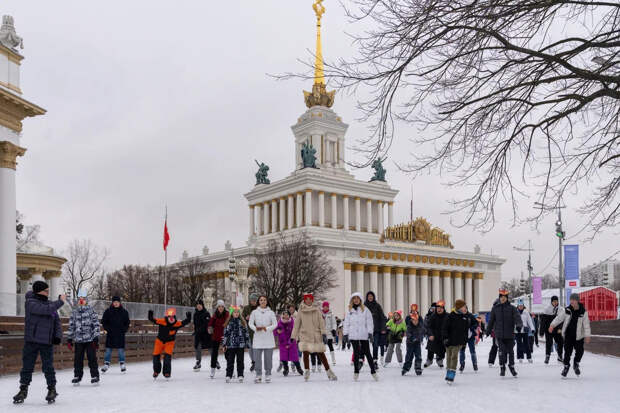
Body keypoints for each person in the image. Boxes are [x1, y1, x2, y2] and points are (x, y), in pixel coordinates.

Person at [13, 281, 65, 405]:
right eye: (46, 290)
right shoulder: (30, 303)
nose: (48, 292)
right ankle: (23, 390)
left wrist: (57, 336)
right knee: (27, 367)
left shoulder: (50, 305)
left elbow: (56, 322)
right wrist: (61, 301)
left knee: (48, 367)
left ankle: (52, 389)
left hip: (46, 342)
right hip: (32, 340)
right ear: (39, 291)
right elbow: (45, 310)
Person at [292, 293, 338, 381]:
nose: (308, 301)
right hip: (305, 335)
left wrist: (324, 334)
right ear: (304, 300)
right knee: (305, 353)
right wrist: (293, 336)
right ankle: (307, 371)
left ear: (312, 300)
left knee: (321, 353)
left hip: (316, 335)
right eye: (307, 299)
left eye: (310, 299)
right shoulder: (301, 311)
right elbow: (296, 325)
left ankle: (329, 371)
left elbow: (321, 323)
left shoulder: (317, 310)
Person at [549, 293, 591, 377]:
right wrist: (552, 325)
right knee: (567, 352)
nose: (571, 301)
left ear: (577, 301)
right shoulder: (567, 310)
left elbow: (586, 325)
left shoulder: (583, 311)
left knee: (580, 351)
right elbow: (559, 318)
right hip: (568, 335)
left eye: (573, 300)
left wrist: (587, 335)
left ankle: (576, 363)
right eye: (570, 300)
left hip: (579, 336)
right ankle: (566, 366)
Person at [67, 288, 101, 386]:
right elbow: (71, 326)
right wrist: (69, 338)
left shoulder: (91, 311)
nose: (81, 300)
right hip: (78, 340)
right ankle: (77, 376)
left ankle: (95, 376)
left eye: (83, 298)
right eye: (79, 298)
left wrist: (95, 338)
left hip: (90, 339)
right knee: (78, 359)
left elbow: (96, 325)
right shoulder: (74, 312)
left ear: (86, 300)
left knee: (92, 358)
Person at [486, 289, 522, 377]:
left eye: (504, 297)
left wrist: (519, 325)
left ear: (507, 298)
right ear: (499, 298)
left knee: (511, 352)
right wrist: (488, 330)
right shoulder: (495, 309)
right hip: (499, 334)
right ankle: (502, 367)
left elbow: (517, 318)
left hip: (510, 334)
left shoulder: (512, 308)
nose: (503, 299)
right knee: (501, 352)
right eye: (501, 297)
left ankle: (511, 366)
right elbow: (491, 321)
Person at [148, 308, 192, 379]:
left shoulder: (177, 324)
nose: (171, 319)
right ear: (167, 317)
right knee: (156, 357)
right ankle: (156, 371)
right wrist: (150, 314)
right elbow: (152, 320)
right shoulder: (162, 321)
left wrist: (189, 317)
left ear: (174, 318)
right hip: (159, 341)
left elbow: (185, 322)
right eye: (169, 317)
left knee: (167, 358)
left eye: (172, 317)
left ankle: (167, 372)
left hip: (170, 343)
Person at [343, 292, 378, 381]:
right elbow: (346, 323)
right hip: (353, 335)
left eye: (357, 298)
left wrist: (370, 333)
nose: (356, 300)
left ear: (360, 300)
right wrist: (345, 334)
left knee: (367, 353)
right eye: (354, 298)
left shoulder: (365, 310)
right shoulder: (349, 311)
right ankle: (356, 372)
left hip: (363, 334)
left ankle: (373, 371)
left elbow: (369, 322)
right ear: (352, 300)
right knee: (356, 353)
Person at [249, 295, 277, 383]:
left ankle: (268, 374)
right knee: (257, 358)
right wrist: (255, 328)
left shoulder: (271, 312)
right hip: (258, 338)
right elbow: (250, 323)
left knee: (268, 358)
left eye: (264, 300)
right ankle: (258, 374)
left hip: (268, 338)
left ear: (267, 301)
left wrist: (267, 328)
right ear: (259, 302)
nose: (263, 301)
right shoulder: (254, 312)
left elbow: (275, 324)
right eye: (261, 300)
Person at [442, 299, 471, 384]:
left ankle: (452, 374)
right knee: (449, 357)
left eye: (465, 307)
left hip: (458, 342)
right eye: (463, 307)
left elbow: (465, 331)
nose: (465, 308)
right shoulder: (450, 316)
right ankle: (448, 371)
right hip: (449, 341)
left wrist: (464, 342)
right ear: (459, 307)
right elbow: (444, 328)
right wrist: (445, 338)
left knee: (454, 356)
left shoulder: (464, 317)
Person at [101, 295, 130, 374]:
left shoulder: (124, 312)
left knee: (121, 350)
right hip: (111, 334)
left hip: (120, 334)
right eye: (114, 302)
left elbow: (127, 322)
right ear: (112, 303)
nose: (116, 303)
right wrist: (108, 329)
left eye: (117, 302)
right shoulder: (108, 311)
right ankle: (106, 364)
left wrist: (124, 330)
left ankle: (122, 364)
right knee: (108, 350)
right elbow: (104, 321)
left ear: (120, 302)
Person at [222, 306, 250, 383]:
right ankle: (228, 375)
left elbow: (246, 333)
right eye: (234, 312)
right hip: (231, 345)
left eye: (238, 312)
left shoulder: (243, 322)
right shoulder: (228, 323)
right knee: (230, 361)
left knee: (240, 360)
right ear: (231, 314)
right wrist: (224, 344)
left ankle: (240, 374)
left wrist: (247, 343)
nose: (236, 313)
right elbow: (225, 334)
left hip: (240, 345)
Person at [274, 310, 303, 376]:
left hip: (291, 343)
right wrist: (277, 332)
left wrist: (289, 344)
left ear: (289, 316)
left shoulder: (292, 323)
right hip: (282, 344)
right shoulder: (279, 323)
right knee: (284, 358)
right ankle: (286, 369)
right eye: (284, 314)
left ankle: (299, 369)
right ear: (282, 315)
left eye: (287, 314)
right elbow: (275, 332)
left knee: (295, 358)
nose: (286, 316)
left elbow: (294, 333)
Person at [364, 291, 388, 369]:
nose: (370, 297)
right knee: (364, 346)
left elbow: (382, 317)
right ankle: (361, 360)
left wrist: (383, 328)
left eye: (371, 296)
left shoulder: (377, 306)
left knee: (375, 346)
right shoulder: (364, 306)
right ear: (367, 297)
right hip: (366, 330)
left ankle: (375, 360)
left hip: (376, 329)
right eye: (369, 296)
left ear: (373, 297)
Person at [540, 295, 564, 364]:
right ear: (551, 302)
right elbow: (543, 322)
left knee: (560, 342)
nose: (555, 302)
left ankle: (560, 356)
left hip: (557, 330)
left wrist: (560, 328)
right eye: (554, 301)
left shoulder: (561, 309)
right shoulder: (547, 309)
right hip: (549, 330)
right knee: (549, 343)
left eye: (556, 301)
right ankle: (547, 356)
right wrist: (541, 332)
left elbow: (562, 320)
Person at [207, 300, 229, 378]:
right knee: (214, 354)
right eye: (219, 306)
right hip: (215, 336)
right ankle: (213, 369)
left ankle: (230, 369)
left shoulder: (227, 314)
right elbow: (210, 323)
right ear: (217, 307)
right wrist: (210, 328)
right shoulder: (215, 315)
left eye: (222, 306)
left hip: (224, 337)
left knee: (227, 354)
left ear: (224, 307)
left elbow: (230, 322)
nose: (220, 308)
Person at [427, 300, 448, 368]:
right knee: (430, 346)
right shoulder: (433, 316)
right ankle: (429, 360)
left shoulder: (447, 316)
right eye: (438, 308)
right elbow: (429, 326)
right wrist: (430, 334)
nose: (439, 309)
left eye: (441, 308)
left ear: (443, 309)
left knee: (442, 349)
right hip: (434, 335)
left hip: (443, 335)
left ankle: (440, 360)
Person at [192, 299, 211, 371]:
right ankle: (198, 362)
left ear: (202, 306)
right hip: (198, 335)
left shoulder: (206, 313)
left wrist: (199, 329)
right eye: (197, 305)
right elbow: (195, 324)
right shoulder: (195, 314)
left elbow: (207, 323)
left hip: (206, 334)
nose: (199, 306)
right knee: (198, 347)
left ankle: (215, 361)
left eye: (200, 305)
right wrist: (195, 330)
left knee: (210, 347)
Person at [458, 307, 479, 371]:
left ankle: (475, 364)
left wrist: (472, 328)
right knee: (462, 351)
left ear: (467, 309)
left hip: (470, 336)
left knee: (472, 351)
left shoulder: (471, 316)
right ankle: (462, 365)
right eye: (462, 309)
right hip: (462, 337)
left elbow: (476, 323)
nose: (464, 310)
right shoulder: (459, 316)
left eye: (465, 309)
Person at [242, 293, 259, 372]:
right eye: (252, 300)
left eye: (255, 300)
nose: (253, 302)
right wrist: (246, 318)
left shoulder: (260, 308)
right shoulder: (246, 308)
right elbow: (241, 318)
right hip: (249, 331)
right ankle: (253, 361)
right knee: (250, 348)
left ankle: (256, 362)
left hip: (257, 331)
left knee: (256, 348)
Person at [321, 301, 338, 365]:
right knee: (322, 347)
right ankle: (322, 359)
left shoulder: (331, 314)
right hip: (322, 333)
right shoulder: (320, 314)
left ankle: (333, 360)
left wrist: (333, 329)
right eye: (324, 306)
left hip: (329, 333)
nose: (325, 308)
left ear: (328, 307)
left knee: (330, 345)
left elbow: (334, 323)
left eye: (327, 307)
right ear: (323, 307)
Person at [423, 302, 437, 367]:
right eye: (432, 308)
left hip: (438, 333)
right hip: (430, 333)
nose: (434, 309)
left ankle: (439, 359)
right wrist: (427, 333)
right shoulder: (428, 315)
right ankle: (429, 360)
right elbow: (425, 324)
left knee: (440, 347)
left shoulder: (440, 315)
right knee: (430, 347)